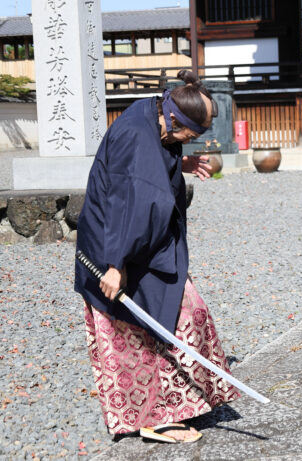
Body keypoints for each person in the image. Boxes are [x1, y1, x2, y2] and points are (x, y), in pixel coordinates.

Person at [74, 70, 240, 443]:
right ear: (176, 119)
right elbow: (127, 202)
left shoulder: (155, 112)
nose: (190, 143)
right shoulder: (138, 136)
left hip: (144, 244)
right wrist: (115, 265)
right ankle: (154, 418)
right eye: (191, 137)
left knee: (184, 316)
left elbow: (150, 168)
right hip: (116, 247)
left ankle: (180, 405)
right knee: (136, 333)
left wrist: (176, 164)